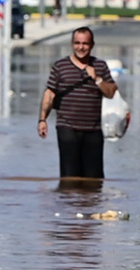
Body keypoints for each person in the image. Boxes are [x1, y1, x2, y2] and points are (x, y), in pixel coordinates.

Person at [37, 27, 118, 179]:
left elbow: (111, 92)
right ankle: (69, 202)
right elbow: (50, 94)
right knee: (69, 176)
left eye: (85, 44)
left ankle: (91, 203)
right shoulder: (60, 66)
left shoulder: (100, 66)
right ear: (72, 44)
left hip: (94, 129)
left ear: (92, 45)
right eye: (77, 43)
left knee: (94, 178)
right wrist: (42, 119)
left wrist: (97, 79)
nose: (81, 47)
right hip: (67, 127)